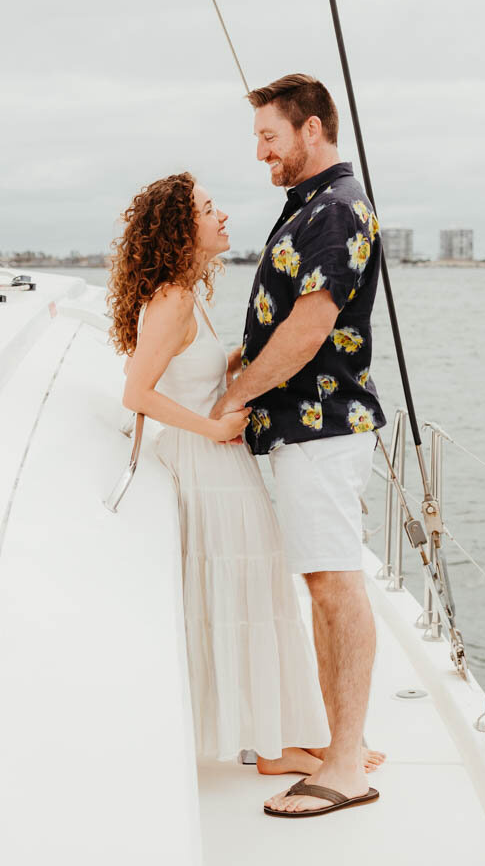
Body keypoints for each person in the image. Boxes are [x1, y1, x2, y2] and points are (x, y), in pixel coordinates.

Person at [110, 172, 335, 776]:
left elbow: (196, 366)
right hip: (207, 467)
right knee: (245, 596)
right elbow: (137, 391)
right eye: (210, 209)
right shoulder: (173, 299)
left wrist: (259, 348)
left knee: (256, 593)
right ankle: (270, 749)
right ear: (184, 229)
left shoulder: (190, 293)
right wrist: (211, 429)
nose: (223, 216)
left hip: (223, 465)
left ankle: (276, 736)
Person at [212, 72, 385, 818]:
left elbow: (310, 328)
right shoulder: (313, 207)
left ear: (311, 129)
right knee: (323, 583)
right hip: (308, 429)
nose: (260, 152)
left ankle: (345, 765)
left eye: (268, 136)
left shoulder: (336, 210)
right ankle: (334, 742)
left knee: (336, 586)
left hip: (321, 426)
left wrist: (236, 394)